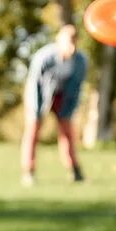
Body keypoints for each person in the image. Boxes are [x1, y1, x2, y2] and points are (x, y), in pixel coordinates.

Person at [20, 25, 88, 185]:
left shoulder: (80, 61)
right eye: (67, 41)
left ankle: (75, 170)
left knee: (67, 132)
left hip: (63, 96)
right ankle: (28, 171)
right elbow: (34, 83)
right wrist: (37, 110)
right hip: (40, 94)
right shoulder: (44, 57)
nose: (71, 45)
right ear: (59, 40)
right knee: (33, 131)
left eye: (73, 41)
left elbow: (77, 87)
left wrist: (69, 109)